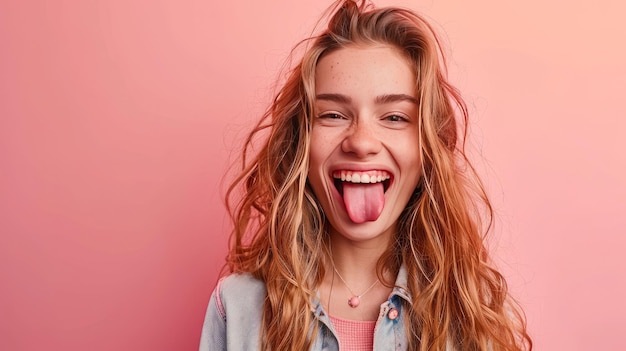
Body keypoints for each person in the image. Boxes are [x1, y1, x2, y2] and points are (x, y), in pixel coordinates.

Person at [199, 0, 532, 350]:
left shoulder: (475, 312)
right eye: (333, 115)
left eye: (394, 117)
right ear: (300, 143)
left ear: (428, 148)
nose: (360, 142)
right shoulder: (237, 307)